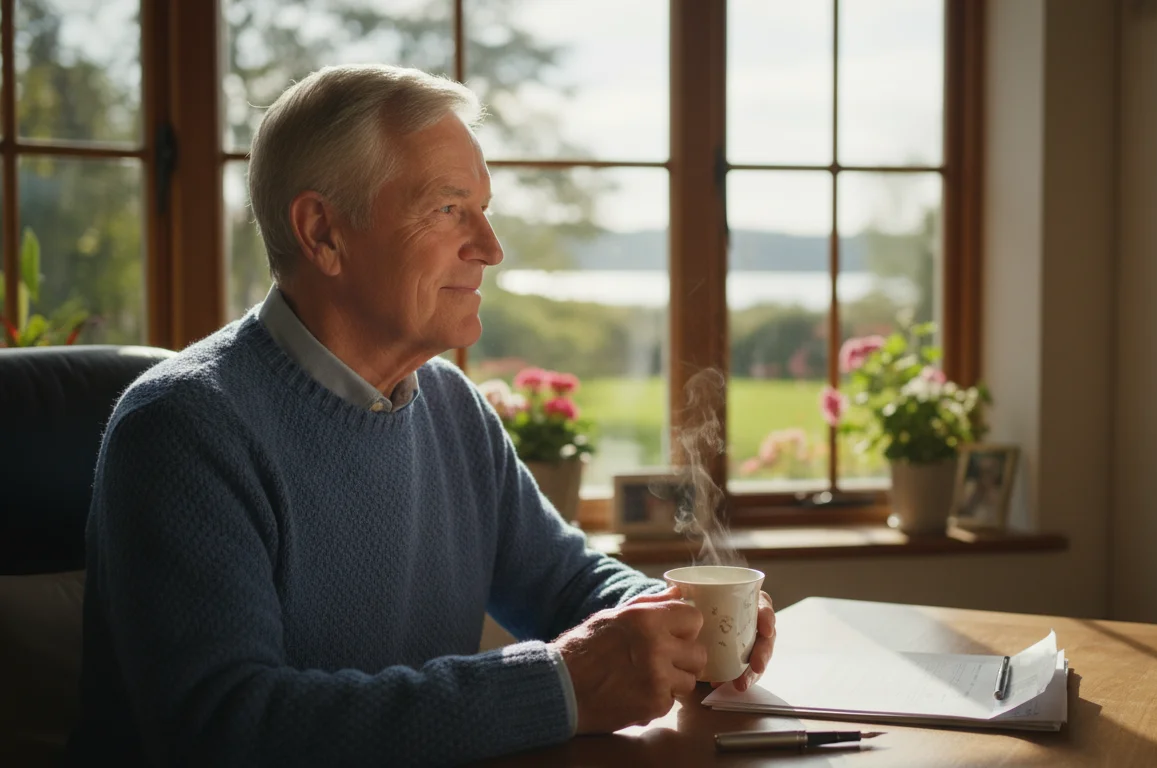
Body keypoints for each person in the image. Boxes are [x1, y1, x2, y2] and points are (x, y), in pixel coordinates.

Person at [66, 64, 775, 766]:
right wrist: (555, 686)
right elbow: (231, 728)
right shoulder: (182, 429)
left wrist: (674, 620)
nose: (491, 249)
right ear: (323, 233)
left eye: (484, 208)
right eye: (446, 208)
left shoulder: (452, 407)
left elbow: (566, 583)